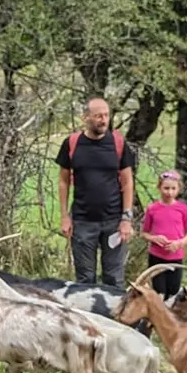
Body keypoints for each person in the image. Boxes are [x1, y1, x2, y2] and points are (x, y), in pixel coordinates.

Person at [55, 97, 138, 287]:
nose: (103, 120)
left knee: (114, 279)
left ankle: (113, 317)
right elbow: (63, 181)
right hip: (83, 222)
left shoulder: (117, 143)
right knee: (85, 280)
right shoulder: (72, 143)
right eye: (98, 116)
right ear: (86, 117)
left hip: (113, 223)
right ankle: (88, 317)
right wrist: (64, 216)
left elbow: (127, 182)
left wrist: (126, 218)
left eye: (106, 115)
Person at [140, 170, 187, 299]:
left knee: (173, 292)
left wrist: (179, 243)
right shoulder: (152, 208)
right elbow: (144, 233)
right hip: (156, 257)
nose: (169, 192)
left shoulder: (183, 209)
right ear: (159, 187)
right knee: (159, 292)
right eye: (166, 188)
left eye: (173, 188)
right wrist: (154, 238)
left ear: (179, 189)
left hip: (176, 257)